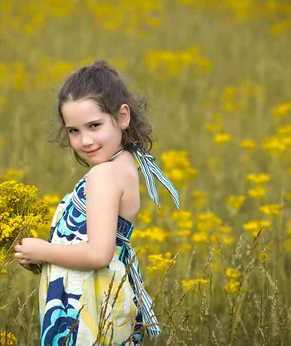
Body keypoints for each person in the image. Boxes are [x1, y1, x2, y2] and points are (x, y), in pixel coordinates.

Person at [13, 59, 180, 345]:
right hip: (104, 295)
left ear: (122, 116)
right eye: (74, 131)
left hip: (87, 302)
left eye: (94, 125)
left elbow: (98, 254)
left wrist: (43, 251)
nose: (85, 140)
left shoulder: (103, 175)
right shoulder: (126, 161)